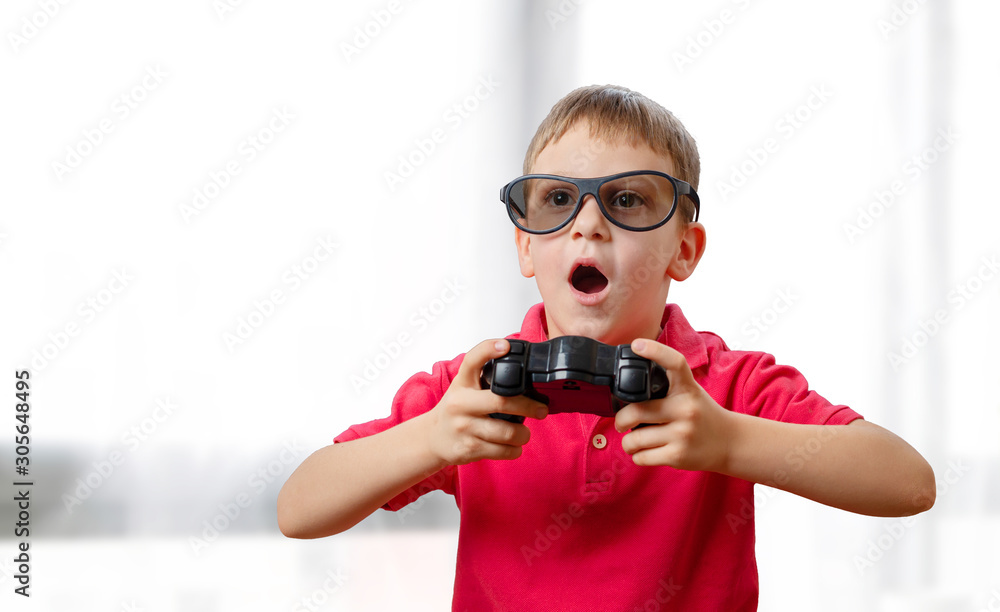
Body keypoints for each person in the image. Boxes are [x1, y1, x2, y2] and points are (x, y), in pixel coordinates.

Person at [277, 84, 936, 610]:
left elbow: (908, 484)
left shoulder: (724, 388)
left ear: (684, 250)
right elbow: (299, 508)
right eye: (558, 199)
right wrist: (430, 437)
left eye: (626, 200)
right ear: (526, 246)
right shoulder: (473, 390)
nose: (588, 223)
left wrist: (728, 440)